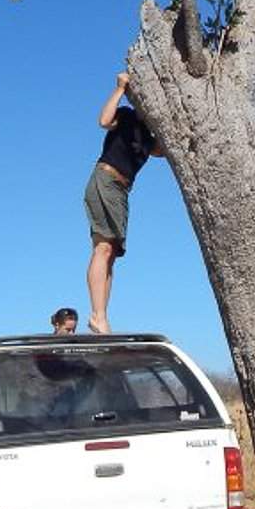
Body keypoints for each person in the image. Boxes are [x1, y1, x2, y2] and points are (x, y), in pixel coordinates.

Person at [83, 70, 160, 334]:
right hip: (105, 179)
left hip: (122, 190)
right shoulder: (125, 115)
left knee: (111, 253)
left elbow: (163, 150)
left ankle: (102, 316)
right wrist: (120, 90)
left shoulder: (150, 136)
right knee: (103, 248)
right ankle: (98, 316)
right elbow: (104, 120)